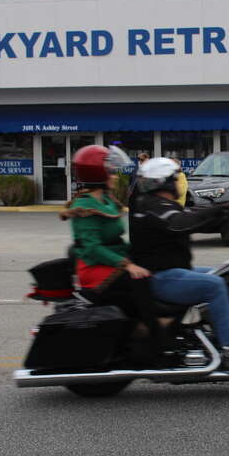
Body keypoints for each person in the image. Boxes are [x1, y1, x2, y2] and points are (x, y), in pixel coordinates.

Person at [128, 157, 229, 366]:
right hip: (161, 277)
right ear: (163, 182)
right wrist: (224, 209)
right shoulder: (153, 206)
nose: (178, 183)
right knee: (215, 285)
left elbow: (191, 216)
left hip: (172, 271)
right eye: (174, 179)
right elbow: (180, 223)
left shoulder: (156, 204)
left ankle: (224, 329)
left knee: (226, 273)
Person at [60, 145, 172, 367]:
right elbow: (92, 248)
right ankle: (155, 333)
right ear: (97, 175)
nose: (114, 175)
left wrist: (142, 253)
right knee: (139, 279)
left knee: (149, 268)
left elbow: (117, 241)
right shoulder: (84, 206)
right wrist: (127, 265)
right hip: (94, 267)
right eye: (110, 171)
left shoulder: (107, 201)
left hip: (110, 259)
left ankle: (141, 324)